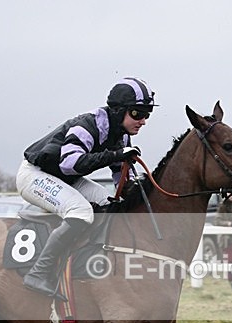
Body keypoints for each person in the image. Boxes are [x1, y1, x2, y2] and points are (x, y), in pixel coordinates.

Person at [17, 76, 156, 297]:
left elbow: (123, 179)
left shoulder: (122, 136)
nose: (143, 121)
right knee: (81, 211)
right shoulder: (87, 126)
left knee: (108, 203)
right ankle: (39, 273)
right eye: (137, 113)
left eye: (147, 114)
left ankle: (90, 261)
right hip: (35, 175)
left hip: (65, 178)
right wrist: (115, 155)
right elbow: (70, 164)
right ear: (119, 111)